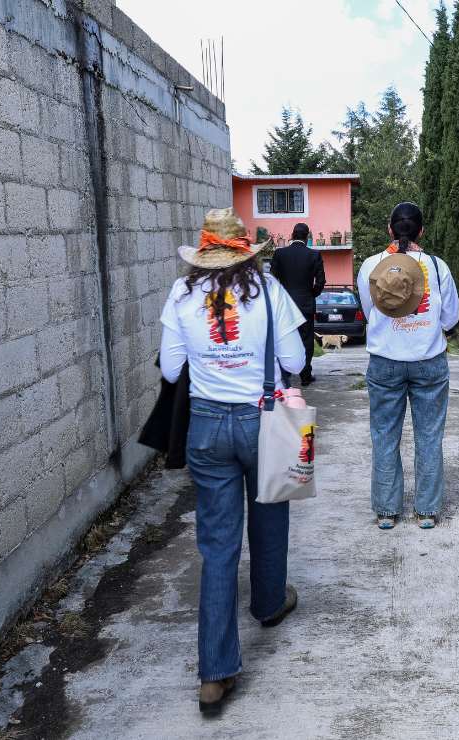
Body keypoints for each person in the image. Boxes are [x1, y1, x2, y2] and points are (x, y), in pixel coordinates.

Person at [158, 207, 306, 715]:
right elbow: (295, 363)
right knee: (270, 514)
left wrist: (212, 358)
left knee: (218, 545)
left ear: (202, 256)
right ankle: (268, 604)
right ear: (246, 250)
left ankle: (215, 674)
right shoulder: (268, 291)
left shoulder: (181, 294)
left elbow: (173, 366)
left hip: (205, 425)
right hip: (264, 419)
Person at [356, 203, 459, 530]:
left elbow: (368, 310)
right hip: (429, 362)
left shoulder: (372, 265)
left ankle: (387, 512)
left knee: (384, 436)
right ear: (421, 231)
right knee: (429, 436)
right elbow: (451, 318)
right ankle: (426, 511)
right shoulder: (435, 266)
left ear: (390, 229)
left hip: (385, 362)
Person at [269, 222, 326, 386]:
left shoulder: (280, 254)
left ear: (292, 235)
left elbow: (272, 280)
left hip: (284, 305)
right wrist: (311, 294)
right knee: (307, 340)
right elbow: (321, 281)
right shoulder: (314, 255)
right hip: (306, 304)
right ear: (306, 236)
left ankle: (284, 374)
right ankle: (305, 375)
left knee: (282, 338)